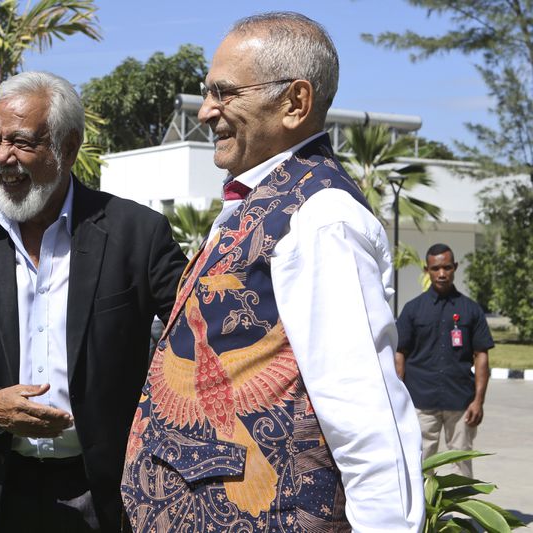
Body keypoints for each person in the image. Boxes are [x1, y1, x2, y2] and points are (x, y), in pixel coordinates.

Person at [121, 12, 425, 532]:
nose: (205, 111)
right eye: (207, 92)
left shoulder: (321, 215)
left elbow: (365, 414)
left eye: (224, 92)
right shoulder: (263, 201)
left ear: (295, 103)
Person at [0, 71, 186, 532]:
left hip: (102, 490)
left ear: (68, 147)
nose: (1, 157)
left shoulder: (136, 233)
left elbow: (195, 334)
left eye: (20, 142)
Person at [396, 243, 493, 477]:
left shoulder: (471, 310)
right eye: (436, 268)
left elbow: (482, 355)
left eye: (447, 267)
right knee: (420, 463)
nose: (441, 273)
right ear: (426, 269)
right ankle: (424, 514)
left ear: (455, 267)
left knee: (461, 461)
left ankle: (460, 513)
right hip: (421, 402)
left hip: (460, 402)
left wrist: (478, 401)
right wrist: (398, 397)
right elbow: (400, 353)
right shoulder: (412, 310)